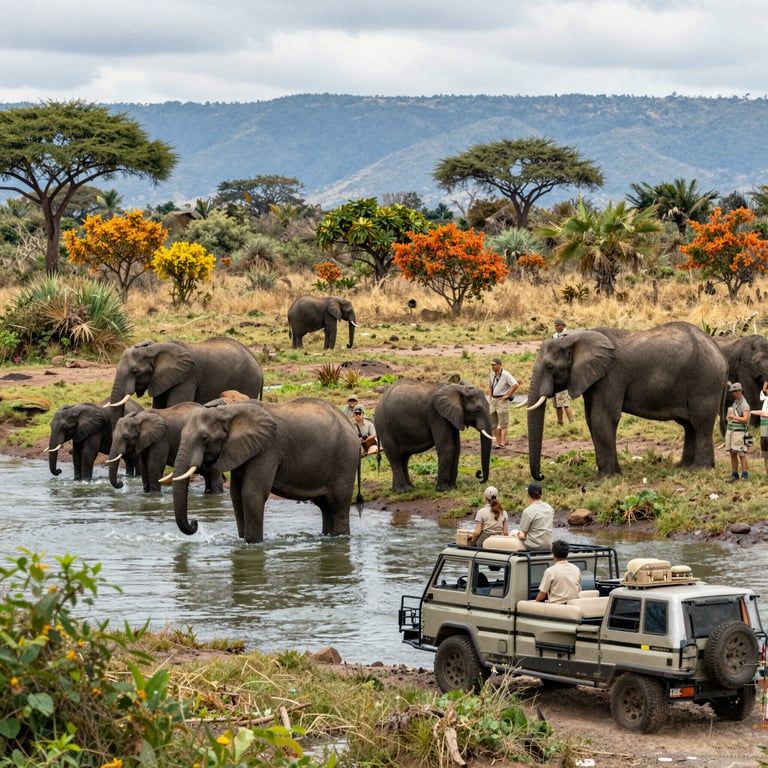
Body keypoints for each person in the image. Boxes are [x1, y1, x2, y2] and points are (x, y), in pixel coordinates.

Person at [507, 482, 554, 551]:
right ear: (541, 494)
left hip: (533, 546)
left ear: (528, 494)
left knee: (513, 532)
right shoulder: (550, 508)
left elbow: (522, 536)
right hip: (548, 545)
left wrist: (516, 533)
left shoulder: (527, 511)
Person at [488, 357, 519, 449]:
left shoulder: (506, 375)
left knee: (503, 423)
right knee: (492, 423)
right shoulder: (492, 374)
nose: (492, 366)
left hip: (502, 400)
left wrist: (507, 395)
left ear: (499, 365)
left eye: (494, 365)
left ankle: (502, 443)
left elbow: (516, 385)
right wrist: (490, 397)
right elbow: (490, 386)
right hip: (494, 400)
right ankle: (498, 442)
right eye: (491, 365)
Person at [725, 382, 750, 482]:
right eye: (732, 392)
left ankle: (745, 475)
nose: (734, 393)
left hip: (739, 432)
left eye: (735, 391)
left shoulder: (744, 404)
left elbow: (746, 419)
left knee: (741, 453)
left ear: (740, 391)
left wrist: (733, 417)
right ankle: (734, 474)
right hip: (732, 431)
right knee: (732, 453)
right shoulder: (735, 403)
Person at [552, 319, 574, 426]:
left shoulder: (567, 335)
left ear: (562, 326)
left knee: (564, 403)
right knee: (557, 404)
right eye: (555, 325)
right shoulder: (554, 336)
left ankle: (571, 422)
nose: (555, 327)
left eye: (557, 325)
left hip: (563, 375)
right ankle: (560, 422)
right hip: (555, 375)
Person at [747, 380, 768, 475]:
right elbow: (764, 390)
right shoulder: (766, 399)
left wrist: (752, 412)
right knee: (765, 453)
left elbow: (765, 414)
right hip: (764, 429)